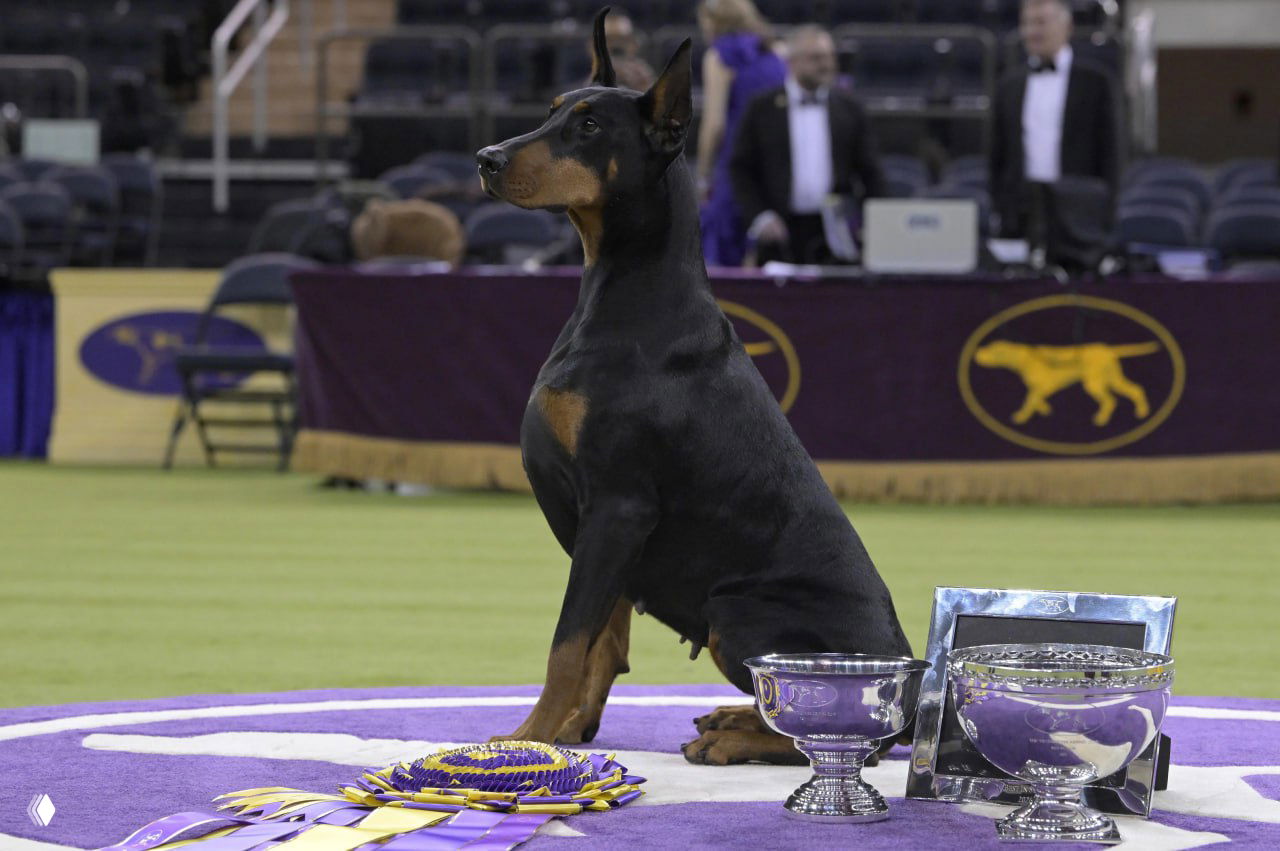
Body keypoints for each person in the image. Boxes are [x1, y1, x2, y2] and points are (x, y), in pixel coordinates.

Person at [729, 25, 885, 265]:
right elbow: (740, 169)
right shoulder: (761, 109)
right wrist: (760, 217)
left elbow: (871, 173)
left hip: (835, 235)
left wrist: (873, 225)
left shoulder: (851, 110)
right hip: (779, 233)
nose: (827, 64)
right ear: (792, 62)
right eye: (816, 58)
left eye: (830, 56)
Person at [989, 0, 1122, 241]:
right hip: (1021, 215)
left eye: (1041, 23)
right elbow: (997, 157)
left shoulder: (1096, 82)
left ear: (1067, 27)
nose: (1032, 31)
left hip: (1080, 213)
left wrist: (1105, 212)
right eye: (1026, 23)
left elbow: (1111, 155)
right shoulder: (1009, 86)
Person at [696, 0, 786, 267]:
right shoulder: (778, 52)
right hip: (777, 163)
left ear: (713, 22)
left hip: (737, 159)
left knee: (726, 251)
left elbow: (715, 124)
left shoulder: (718, 57)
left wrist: (703, 175)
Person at [583, 6, 655, 92]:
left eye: (622, 39)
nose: (616, 45)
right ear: (591, 46)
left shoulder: (646, 80)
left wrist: (649, 91)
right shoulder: (568, 89)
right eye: (607, 40)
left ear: (634, 45)